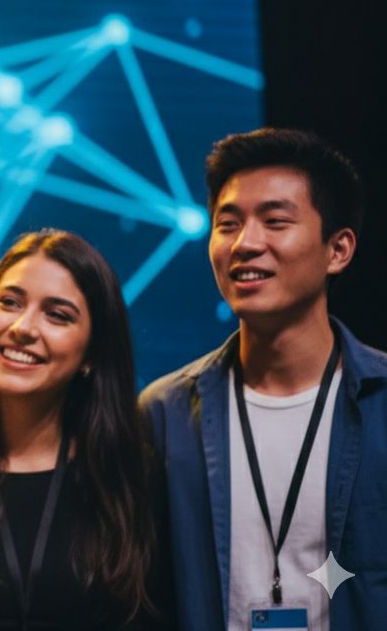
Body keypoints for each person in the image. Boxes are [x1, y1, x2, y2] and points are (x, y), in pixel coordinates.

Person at [141, 128, 386, 630]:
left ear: (338, 250)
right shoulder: (164, 414)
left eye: (275, 222)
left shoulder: (381, 399)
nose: (246, 244)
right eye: (227, 224)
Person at [0, 230, 167, 630]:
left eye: (57, 315)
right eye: (9, 302)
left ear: (92, 352)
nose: (23, 327)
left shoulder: (134, 480)